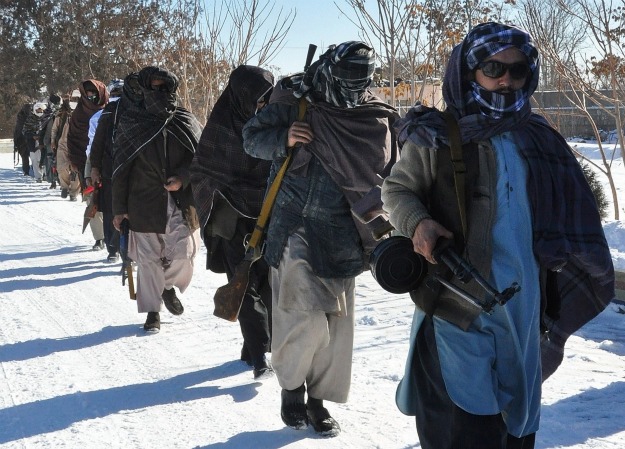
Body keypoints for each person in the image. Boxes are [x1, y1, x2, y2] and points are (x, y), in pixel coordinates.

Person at [381, 22, 615, 449]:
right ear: (469, 72)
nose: (506, 79)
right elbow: (396, 190)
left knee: (516, 428)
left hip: (523, 310)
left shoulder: (539, 137)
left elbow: (573, 212)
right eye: (493, 68)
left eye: (517, 70)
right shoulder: (436, 134)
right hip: (455, 304)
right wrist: (417, 223)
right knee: (464, 430)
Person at [242, 41, 398, 436]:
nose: (352, 85)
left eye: (361, 78)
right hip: (294, 225)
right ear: (330, 70)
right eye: (346, 76)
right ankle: (292, 390)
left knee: (335, 327)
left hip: (345, 232)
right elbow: (251, 138)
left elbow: (388, 173)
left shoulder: (372, 113)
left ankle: (318, 401)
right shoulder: (295, 99)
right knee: (302, 319)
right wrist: (284, 137)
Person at [189, 65, 274, 380]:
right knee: (244, 284)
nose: (263, 104)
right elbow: (202, 172)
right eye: (258, 98)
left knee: (268, 284)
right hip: (232, 220)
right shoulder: (221, 128)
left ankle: (251, 346)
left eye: (268, 97)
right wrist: (224, 194)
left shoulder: (273, 126)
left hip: (270, 215)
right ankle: (260, 356)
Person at [112, 66, 202, 333]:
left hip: (180, 202)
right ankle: (153, 312)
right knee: (148, 260)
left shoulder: (184, 119)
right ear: (144, 88)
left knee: (185, 254)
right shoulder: (132, 121)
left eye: (164, 87)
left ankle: (166, 286)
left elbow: (200, 160)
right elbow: (120, 168)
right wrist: (119, 209)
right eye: (153, 87)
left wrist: (183, 178)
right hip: (142, 202)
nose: (159, 92)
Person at [90, 78, 124, 262]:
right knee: (114, 210)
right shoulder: (104, 114)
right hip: (112, 170)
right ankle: (115, 249)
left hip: (124, 171)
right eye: (116, 93)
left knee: (121, 210)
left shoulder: (137, 112)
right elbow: (96, 144)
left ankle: (122, 250)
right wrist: (95, 167)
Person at [13, 102, 32, 176]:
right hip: (22, 140)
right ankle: (27, 171)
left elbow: (16, 130)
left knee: (28, 157)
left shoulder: (22, 117)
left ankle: (28, 171)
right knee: (25, 157)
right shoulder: (21, 117)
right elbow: (17, 130)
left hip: (27, 139)